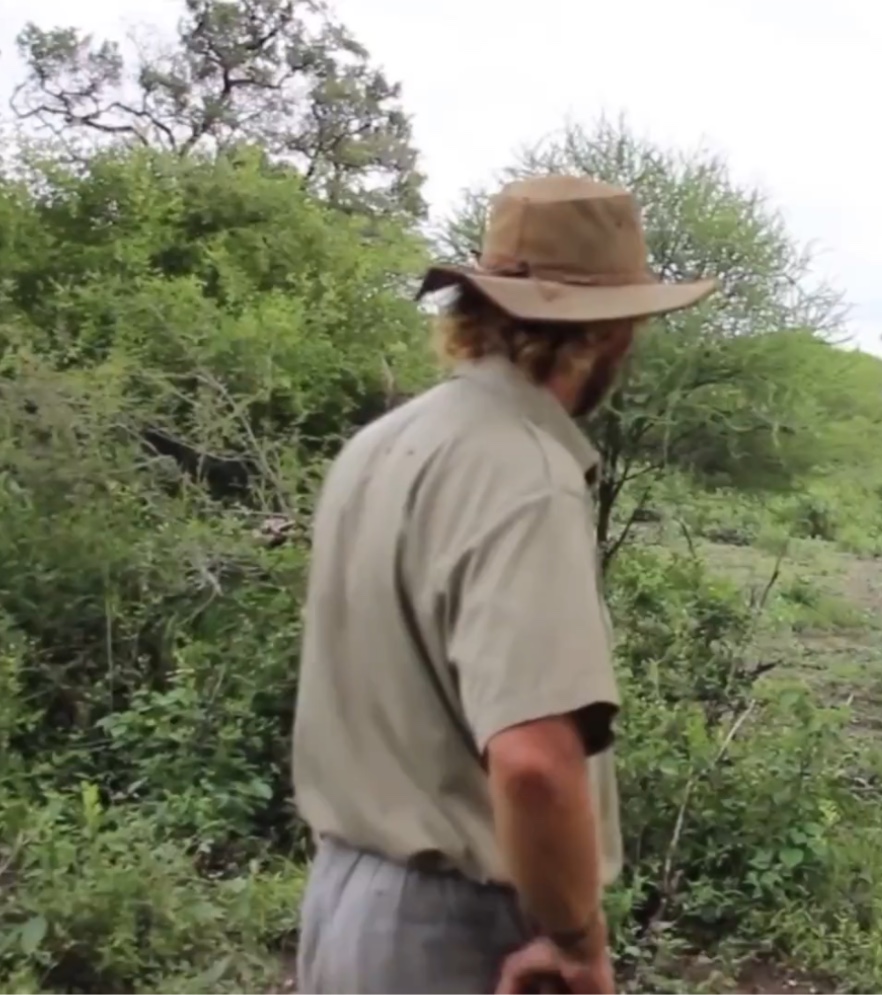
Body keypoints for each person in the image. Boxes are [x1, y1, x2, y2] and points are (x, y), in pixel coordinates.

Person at [289, 174, 717, 994]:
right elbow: (531, 761)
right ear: (613, 330)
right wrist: (575, 939)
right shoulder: (524, 470)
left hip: (341, 898)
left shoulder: (381, 446)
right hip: (457, 932)